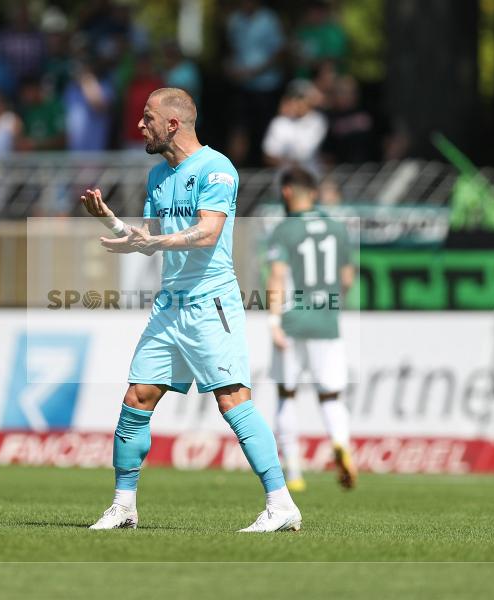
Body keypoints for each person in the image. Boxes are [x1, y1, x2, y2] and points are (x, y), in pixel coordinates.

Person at [80, 87, 302, 532]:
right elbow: (145, 240)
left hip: (210, 303)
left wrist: (154, 242)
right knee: (136, 398)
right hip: (170, 306)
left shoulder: (217, 168)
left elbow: (207, 233)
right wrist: (108, 220)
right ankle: (124, 505)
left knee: (233, 400)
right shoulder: (159, 176)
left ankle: (281, 505)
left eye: (147, 118)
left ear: (173, 124)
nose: (140, 126)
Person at [265, 166, 356, 492]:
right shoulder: (339, 229)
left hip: (292, 321)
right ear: (314, 193)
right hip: (326, 322)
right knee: (331, 395)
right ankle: (341, 443)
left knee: (286, 394)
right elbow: (347, 278)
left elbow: (276, 277)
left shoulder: (285, 230)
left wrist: (273, 321)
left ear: (287, 192)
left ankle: (293, 473)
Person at [225, 0, 286, 166]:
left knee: (266, 133)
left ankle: (265, 176)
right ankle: (235, 176)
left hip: (267, 86)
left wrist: (255, 72)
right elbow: (232, 49)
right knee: (239, 129)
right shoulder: (234, 20)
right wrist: (232, 68)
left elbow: (279, 53)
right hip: (241, 87)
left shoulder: (269, 20)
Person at [262, 79, 327, 170]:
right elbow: (269, 156)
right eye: (292, 97)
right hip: (285, 178)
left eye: (300, 97)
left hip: (311, 176)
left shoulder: (318, 120)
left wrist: (286, 160)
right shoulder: (278, 122)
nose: (295, 101)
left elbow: (304, 154)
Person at [320, 75, 375, 165]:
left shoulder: (369, 111)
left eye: (352, 92)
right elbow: (326, 152)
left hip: (373, 169)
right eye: (343, 92)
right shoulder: (328, 117)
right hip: (342, 171)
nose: (348, 96)